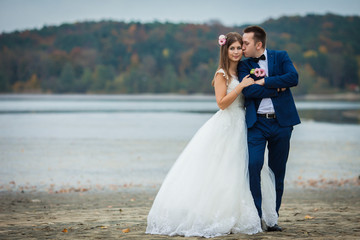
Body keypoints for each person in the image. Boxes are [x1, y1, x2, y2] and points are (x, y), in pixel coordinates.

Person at [146, 32, 277, 238]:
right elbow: (222, 103)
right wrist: (242, 87)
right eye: (232, 48)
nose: (236, 52)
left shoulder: (244, 70)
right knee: (223, 169)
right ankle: (218, 214)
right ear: (225, 50)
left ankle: (247, 212)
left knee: (241, 171)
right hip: (226, 124)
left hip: (243, 124)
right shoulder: (221, 74)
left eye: (238, 48)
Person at [238, 26, 301, 231]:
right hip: (256, 124)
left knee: (277, 171)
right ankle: (256, 218)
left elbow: (293, 78)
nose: (242, 46)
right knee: (253, 166)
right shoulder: (243, 64)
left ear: (259, 44)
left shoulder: (280, 56)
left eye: (245, 43)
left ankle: (272, 219)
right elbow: (248, 92)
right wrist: (277, 89)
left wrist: (265, 81)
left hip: (282, 123)